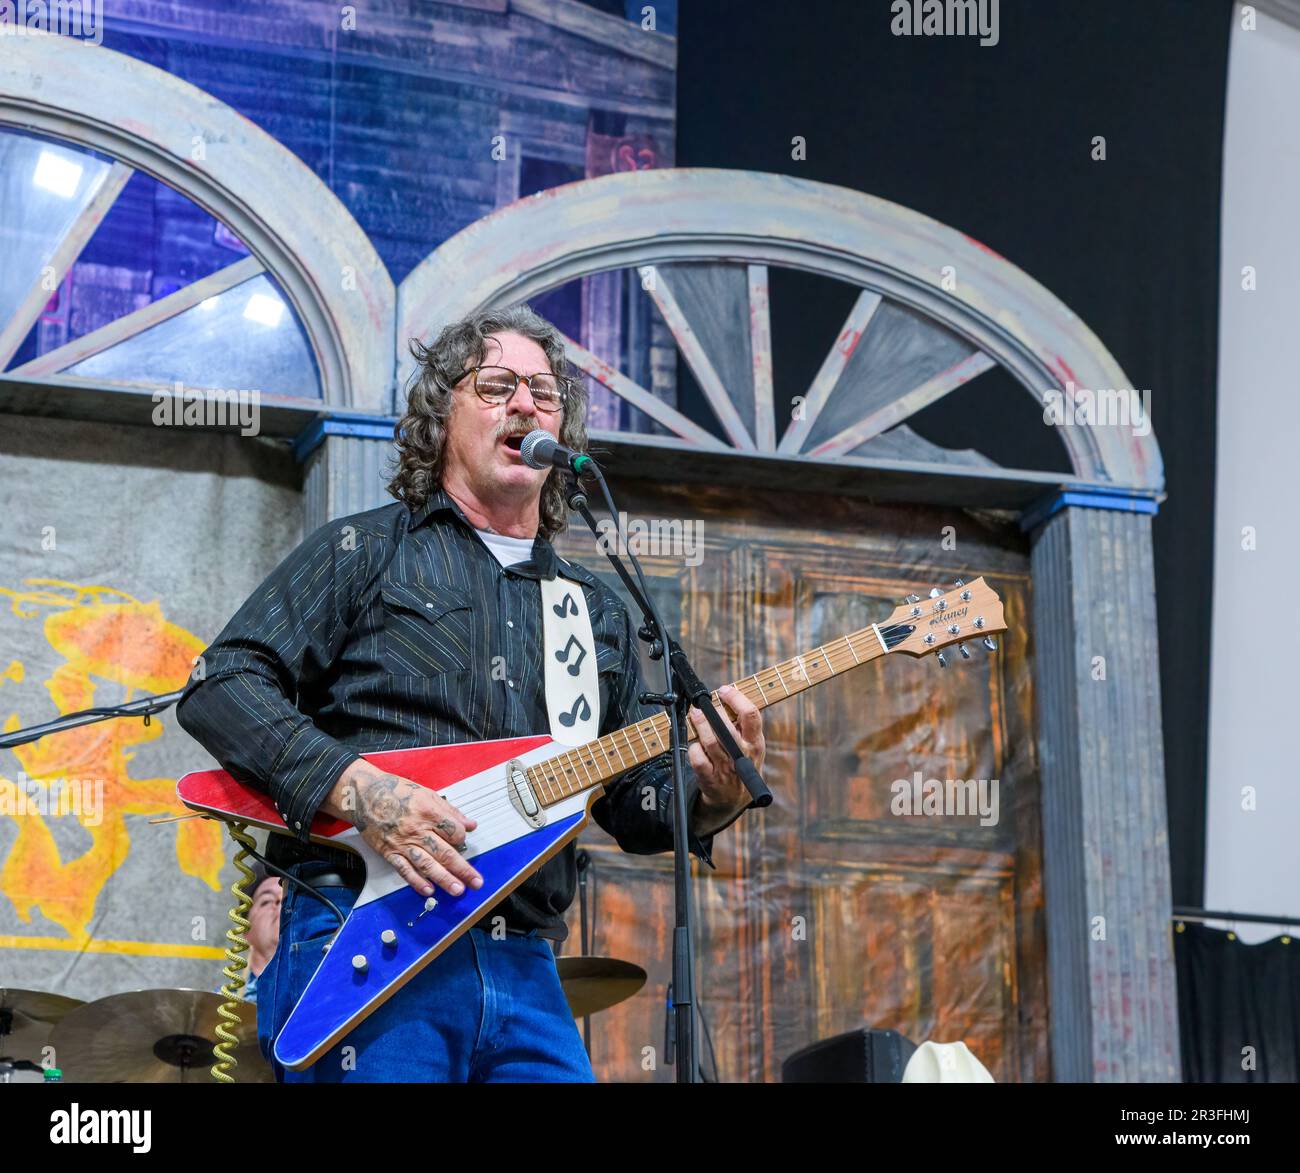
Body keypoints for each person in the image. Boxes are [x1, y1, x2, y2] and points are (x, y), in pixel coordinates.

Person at [176, 304, 765, 1082]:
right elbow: (222, 684)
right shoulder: (367, 550)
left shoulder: (594, 609)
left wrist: (708, 786)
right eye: (497, 385)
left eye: (545, 393)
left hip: (527, 968)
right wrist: (362, 791)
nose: (525, 404)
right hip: (366, 938)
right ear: (440, 416)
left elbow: (631, 804)